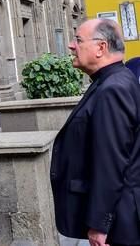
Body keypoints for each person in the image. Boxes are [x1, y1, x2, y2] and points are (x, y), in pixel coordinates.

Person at [50, 19, 140, 246]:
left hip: (121, 220)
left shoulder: (113, 88)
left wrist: (100, 224)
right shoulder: (114, 80)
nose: (71, 45)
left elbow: (110, 162)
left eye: (78, 40)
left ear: (101, 48)